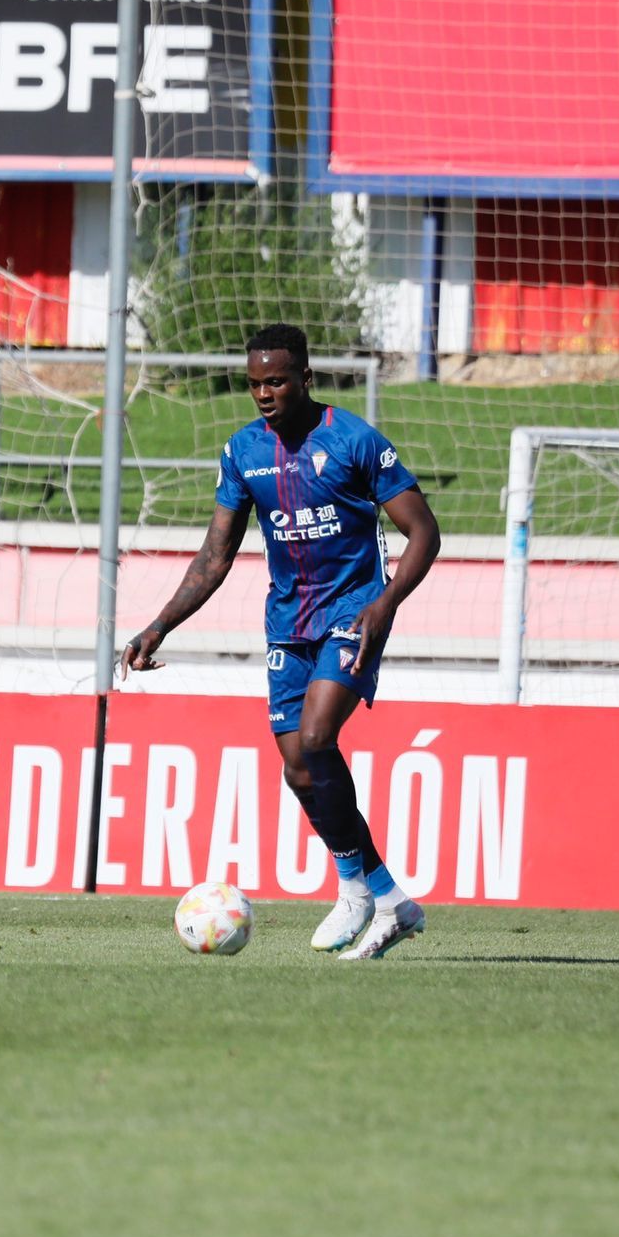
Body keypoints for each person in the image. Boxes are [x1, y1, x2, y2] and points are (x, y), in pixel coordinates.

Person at [119, 323, 442, 960]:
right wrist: (159, 624)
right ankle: (362, 888)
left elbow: (424, 532)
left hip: (353, 611)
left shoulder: (353, 440)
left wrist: (383, 606)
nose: (264, 393)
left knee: (319, 737)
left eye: (276, 380)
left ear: (305, 379)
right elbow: (215, 554)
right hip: (286, 624)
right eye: (254, 383)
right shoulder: (243, 452)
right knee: (298, 769)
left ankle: (388, 902)